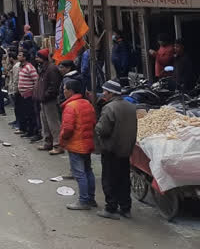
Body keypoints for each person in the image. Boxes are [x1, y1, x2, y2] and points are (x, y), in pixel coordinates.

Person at [95, 80, 137, 220]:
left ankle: (111, 208)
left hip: (111, 149)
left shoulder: (109, 108)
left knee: (109, 179)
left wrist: (96, 127)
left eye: (105, 91)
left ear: (111, 93)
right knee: (124, 179)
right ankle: (126, 208)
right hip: (126, 149)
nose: (103, 94)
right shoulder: (131, 106)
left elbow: (103, 129)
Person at [59, 80, 97, 210]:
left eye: (65, 89)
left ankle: (83, 201)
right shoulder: (87, 103)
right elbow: (93, 122)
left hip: (76, 144)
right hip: (87, 142)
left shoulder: (71, 106)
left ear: (71, 90)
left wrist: (63, 139)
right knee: (88, 170)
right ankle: (90, 198)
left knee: (79, 173)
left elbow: (68, 129)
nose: (63, 91)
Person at [35, 49, 63, 154]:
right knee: (45, 123)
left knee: (53, 123)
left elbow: (54, 86)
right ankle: (47, 142)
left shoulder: (51, 69)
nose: (36, 59)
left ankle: (58, 145)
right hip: (43, 100)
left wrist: (46, 95)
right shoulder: (43, 68)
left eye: (38, 57)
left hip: (50, 100)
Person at [16, 51, 39, 140]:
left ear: (25, 57)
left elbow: (36, 80)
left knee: (31, 114)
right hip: (23, 95)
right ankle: (28, 131)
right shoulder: (21, 67)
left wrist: (32, 91)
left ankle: (35, 132)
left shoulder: (30, 67)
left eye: (20, 55)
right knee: (26, 114)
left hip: (29, 95)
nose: (18, 57)